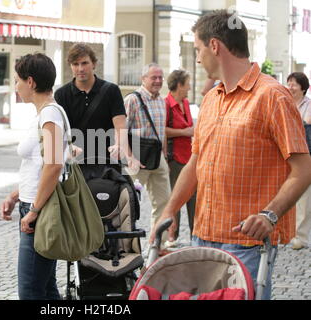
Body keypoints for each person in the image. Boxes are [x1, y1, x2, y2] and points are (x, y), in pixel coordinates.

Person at [150, 10, 311, 300]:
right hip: (203, 236)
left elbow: (303, 170)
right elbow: (196, 163)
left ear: (215, 46)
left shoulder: (272, 96)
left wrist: (270, 215)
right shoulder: (211, 99)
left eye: (198, 50)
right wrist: (169, 210)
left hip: (246, 244)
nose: (197, 59)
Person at [1, 53, 69, 300]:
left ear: (30, 82)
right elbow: (41, 167)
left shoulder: (50, 113)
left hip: (40, 211)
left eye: (17, 80)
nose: (15, 86)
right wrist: (16, 195)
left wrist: (34, 210)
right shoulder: (44, 113)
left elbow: (53, 165)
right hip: (33, 204)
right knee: (46, 289)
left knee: (30, 291)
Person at [55, 43, 140, 180]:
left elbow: (120, 127)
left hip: (106, 163)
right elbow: (59, 131)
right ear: (70, 66)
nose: (80, 68)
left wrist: (124, 150)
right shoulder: (61, 94)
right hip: (75, 163)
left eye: (85, 63)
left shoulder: (111, 91)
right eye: (75, 64)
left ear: (94, 64)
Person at [124, 63, 171, 229]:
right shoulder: (132, 100)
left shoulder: (161, 100)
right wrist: (130, 158)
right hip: (138, 158)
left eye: (160, 77)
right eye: (154, 77)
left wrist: (164, 156)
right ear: (143, 79)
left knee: (164, 201)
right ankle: (126, 242)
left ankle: (157, 244)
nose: (158, 81)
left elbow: (162, 131)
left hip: (158, 158)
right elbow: (120, 131)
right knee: (129, 203)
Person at [164, 69, 196, 245]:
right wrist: (184, 132)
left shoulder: (185, 103)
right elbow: (162, 131)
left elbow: (191, 126)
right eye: (187, 84)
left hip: (190, 156)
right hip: (174, 157)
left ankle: (195, 235)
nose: (189, 87)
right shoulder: (166, 104)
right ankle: (171, 236)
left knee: (193, 197)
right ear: (179, 85)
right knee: (176, 197)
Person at [287, 72, 311, 250]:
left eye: (294, 84)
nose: (290, 87)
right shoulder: (285, 103)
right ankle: (285, 232)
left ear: (303, 87)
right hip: (286, 154)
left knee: (304, 197)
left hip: (304, 155)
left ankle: (300, 236)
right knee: (285, 193)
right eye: (288, 83)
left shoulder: (309, 105)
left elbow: (305, 125)